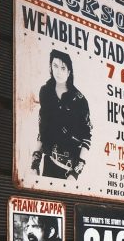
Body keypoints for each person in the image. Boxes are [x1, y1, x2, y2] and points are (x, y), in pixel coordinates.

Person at [31, 50, 92, 179]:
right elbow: (43, 128)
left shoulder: (80, 100)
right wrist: (35, 162)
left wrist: (76, 172)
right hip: (48, 163)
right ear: (50, 67)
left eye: (63, 68)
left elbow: (87, 136)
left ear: (69, 72)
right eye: (55, 66)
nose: (58, 72)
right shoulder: (45, 92)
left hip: (69, 170)